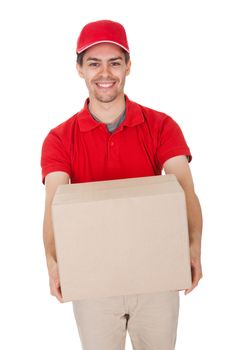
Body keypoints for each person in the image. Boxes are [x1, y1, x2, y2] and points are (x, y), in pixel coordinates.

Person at [41, 19, 203, 350]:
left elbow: (185, 190)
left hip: (157, 272)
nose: (105, 73)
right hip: (93, 278)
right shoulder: (59, 138)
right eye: (94, 63)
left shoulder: (160, 126)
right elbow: (54, 205)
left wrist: (193, 248)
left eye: (115, 62)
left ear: (128, 66)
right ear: (79, 69)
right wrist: (54, 262)